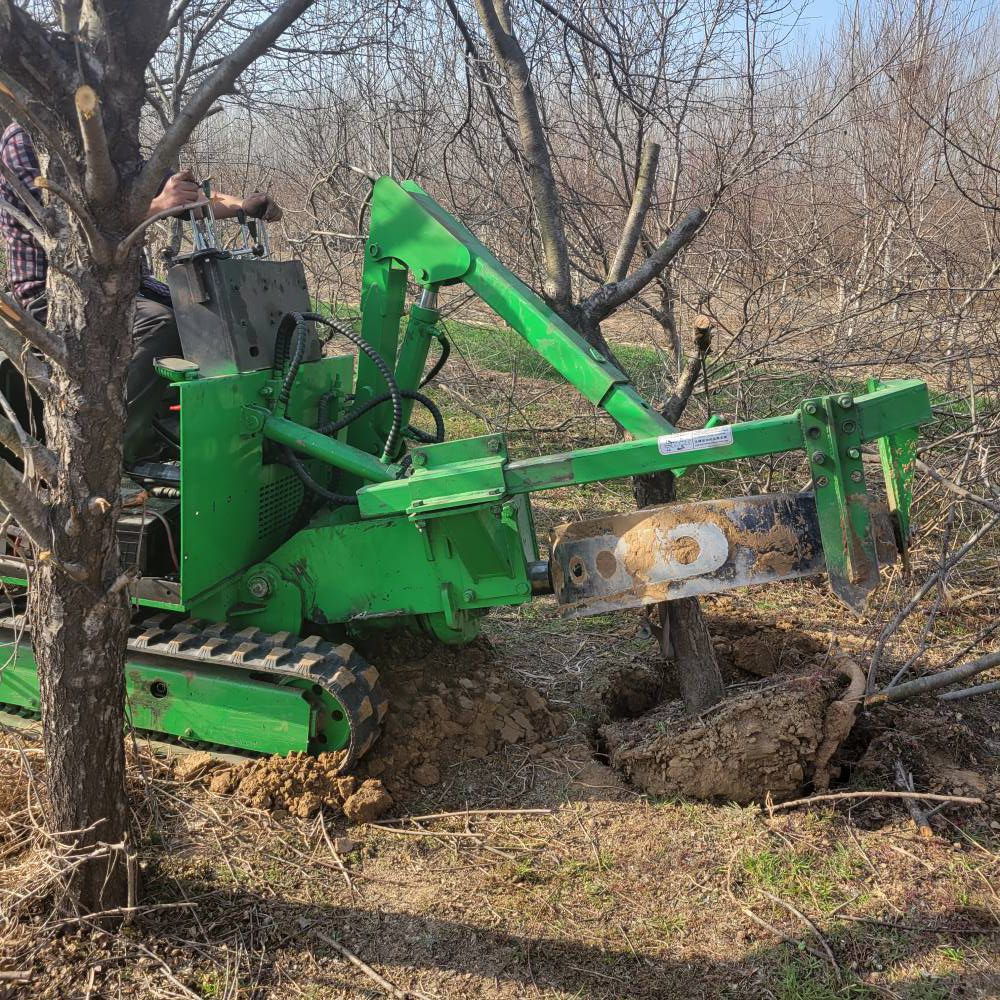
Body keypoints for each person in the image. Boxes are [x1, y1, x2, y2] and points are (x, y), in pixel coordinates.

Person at [0, 121, 282, 463]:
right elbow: (67, 235)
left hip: (120, 287)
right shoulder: (27, 140)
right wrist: (158, 206)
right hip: (53, 292)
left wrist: (242, 205)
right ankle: (106, 453)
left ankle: (200, 438)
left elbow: (186, 198)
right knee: (160, 325)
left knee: (211, 316)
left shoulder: (106, 136)